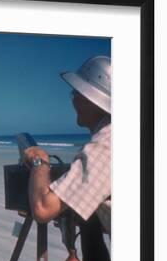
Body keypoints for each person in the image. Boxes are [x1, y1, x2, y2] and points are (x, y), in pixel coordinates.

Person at [23, 56, 112, 237]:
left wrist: (40, 161)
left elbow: (42, 208)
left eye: (76, 94)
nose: (73, 101)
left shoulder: (104, 147)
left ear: (90, 99)